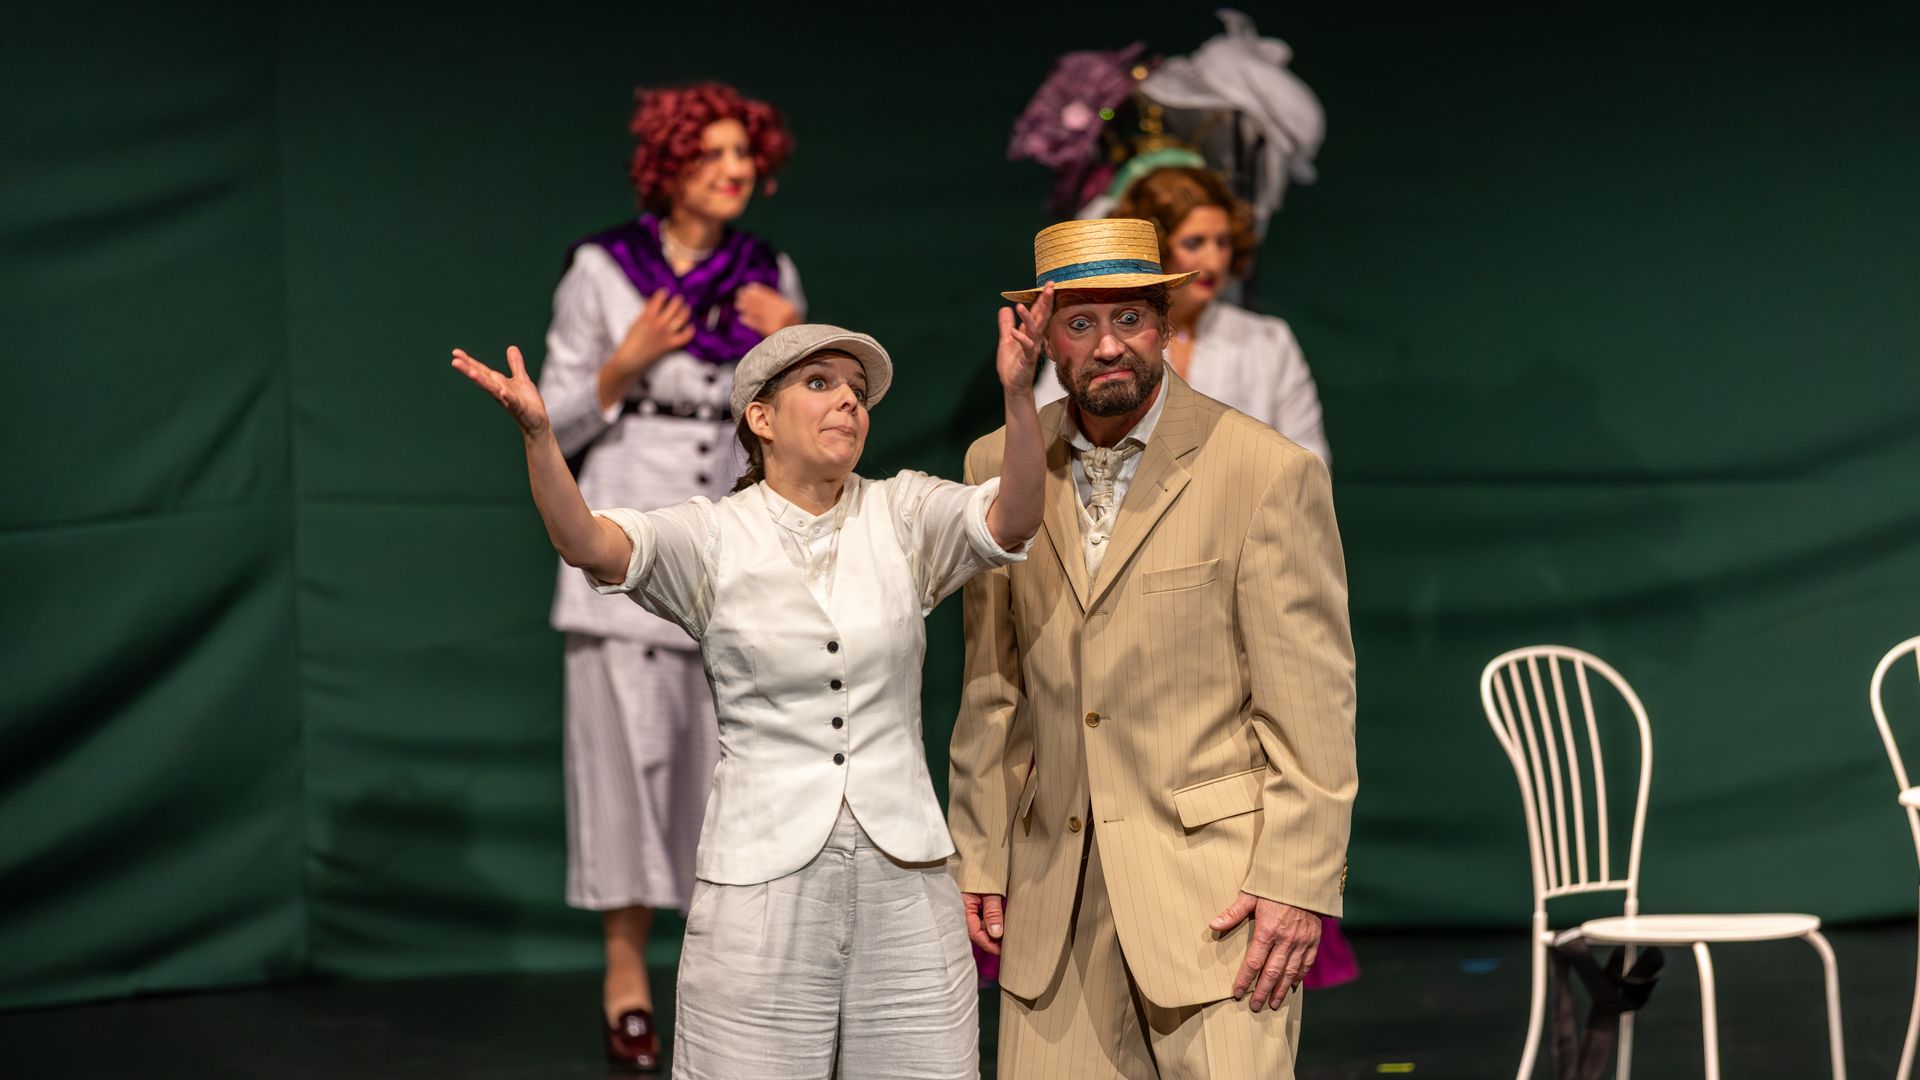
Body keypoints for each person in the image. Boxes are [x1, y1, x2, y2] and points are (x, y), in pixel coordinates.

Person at [451, 308, 1048, 1077]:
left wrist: (1019, 396)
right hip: (761, 877)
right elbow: (587, 542)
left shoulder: (901, 511)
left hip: (905, 874)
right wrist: (541, 437)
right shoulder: (712, 535)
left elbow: (1013, 518)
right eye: (820, 383)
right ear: (761, 419)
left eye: (858, 390)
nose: (849, 400)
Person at [948, 218, 1357, 1078]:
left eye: (1130, 318)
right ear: (1044, 337)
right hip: (1054, 897)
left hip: (1216, 899)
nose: (1109, 346)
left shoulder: (1263, 470)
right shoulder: (998, 465)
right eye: (1081, 323)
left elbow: (1311, 703)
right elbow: (991, 686)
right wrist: (979, 851)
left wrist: (1295, 882)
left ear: (1165, 325)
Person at [535, 81, 804, 1068]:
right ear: (670, 165)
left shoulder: (768, 274)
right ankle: (625, 973)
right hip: (623, 538)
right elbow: (549, 418)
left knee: (726, 773)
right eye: (712, 154)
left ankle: (720, 980)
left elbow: (812, 425)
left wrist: (792, 341)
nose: (734, 171)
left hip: (733, 548)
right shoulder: (605, 271)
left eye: (744, 154)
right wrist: (624, 363)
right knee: (622, 769)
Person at [1032, 166, 1328, 466]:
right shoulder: (1096, 341)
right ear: (1157, 248)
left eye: (1223, 242)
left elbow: (1309, 461)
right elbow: (1044, 440)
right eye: (1194, 243)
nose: (1213, 262)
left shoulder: (1268, 340)